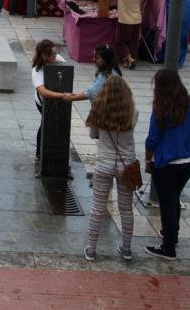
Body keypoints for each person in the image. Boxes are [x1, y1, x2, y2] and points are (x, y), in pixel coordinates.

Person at [144, 69, 190, 260]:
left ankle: (168, 247)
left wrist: (148, 160)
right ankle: (172, 234)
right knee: (174, 198)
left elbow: (152, 140)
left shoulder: (161, 108)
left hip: (166, 163)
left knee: (167, 203)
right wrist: (188, 132)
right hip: (188, 162)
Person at [83, 76, 138, 262]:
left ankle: (91, 248)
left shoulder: (98, 112)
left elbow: (93, 135)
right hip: (126, 165)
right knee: (126, 209)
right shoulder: (133, 112)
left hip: (104, 164)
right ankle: (127, 248)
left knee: (97, 208)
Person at [31, 39, 67, 163]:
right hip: (43, 101)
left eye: (55, 53)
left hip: (58, 97)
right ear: (44, 55)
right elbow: (43, 91)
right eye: (51, 54)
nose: (54, 56)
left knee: (55, 123)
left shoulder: (59, 60)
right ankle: (39, 153)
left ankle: (55, 149)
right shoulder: (37, 69)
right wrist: (62, 95)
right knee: (46, 123)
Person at [110, 0, 144, 70]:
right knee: (134, 42)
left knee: (120, 41)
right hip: (137, 19)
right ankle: (130, 60)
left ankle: (129, 58)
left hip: (124, 20)